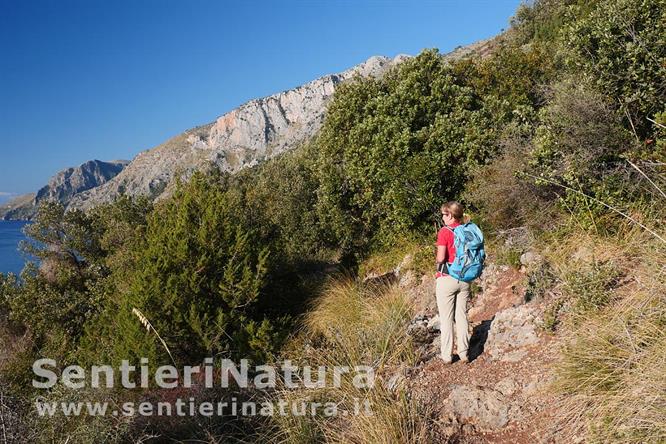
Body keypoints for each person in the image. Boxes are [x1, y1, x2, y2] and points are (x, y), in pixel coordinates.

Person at [435, 201, 470, 364]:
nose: (442, 217)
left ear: (449, 214)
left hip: (447, 278)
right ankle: (464, 352)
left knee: (446, 318)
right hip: (464, 278)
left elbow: (441, 258)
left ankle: (447, 356)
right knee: (461, 316)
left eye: (443, 214)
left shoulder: (444, 232)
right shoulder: (466, 229)